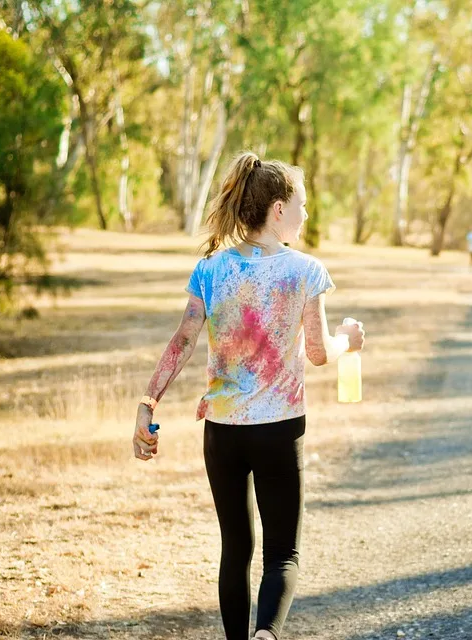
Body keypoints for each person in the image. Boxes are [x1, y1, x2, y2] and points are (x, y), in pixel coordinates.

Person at [131, 152, 365, 640]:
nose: (305, 215)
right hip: (280, 429)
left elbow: (183, 340)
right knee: (283, 552)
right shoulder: (305, 270)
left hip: (223, 432)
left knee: (235, 548)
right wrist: (351, 341)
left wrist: (147, 404)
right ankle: (267, 635)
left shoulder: (212, 269)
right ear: (278, 209)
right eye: (301, 204)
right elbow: (320, 353)